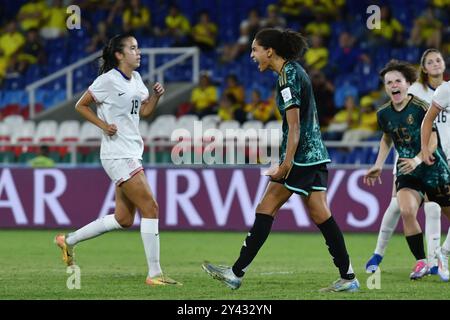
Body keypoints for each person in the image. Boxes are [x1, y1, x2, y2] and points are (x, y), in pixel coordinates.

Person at [202, 28, 360, 292]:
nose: (252, 55)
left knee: (267, 206)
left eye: (255, 50)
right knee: (321, 214)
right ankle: (349, 277)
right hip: (315, 154)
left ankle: (236, 272)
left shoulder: (287, 77)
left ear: (269, 51)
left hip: (301, 157)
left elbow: (294, 125)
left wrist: (286, 163)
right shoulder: (294, 71)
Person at [54, 34, 181, 286]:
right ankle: (154, 274)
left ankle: (67, 240)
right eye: (133, 48)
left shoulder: (136, 80)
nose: (139, 52)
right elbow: (81, 105)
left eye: (138, 47)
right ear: (119, 55)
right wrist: (103, 125)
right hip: (118, 154)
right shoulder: (107, 81)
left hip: (131, 151)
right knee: (151, 208)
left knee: (124, 219)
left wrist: (155, 97)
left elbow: (143, 112)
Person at [363, 59, 450, 280]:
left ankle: (441, 254)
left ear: (408, 84)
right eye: (388, 82)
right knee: (406, 211)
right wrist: (378, 164)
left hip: (432, 167)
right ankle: (421, 261)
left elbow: (432, 141)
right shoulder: (383, 113)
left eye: (397, 81)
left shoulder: (421, 107)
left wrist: (418, 160)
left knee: (440, 212)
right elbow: (386, 138)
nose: (393, 85)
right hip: (406, 170)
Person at [421, 76, 450, 282]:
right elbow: (428, 119)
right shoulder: (446, 90)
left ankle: (443, 253)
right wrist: (424, 148)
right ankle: (444, 254)